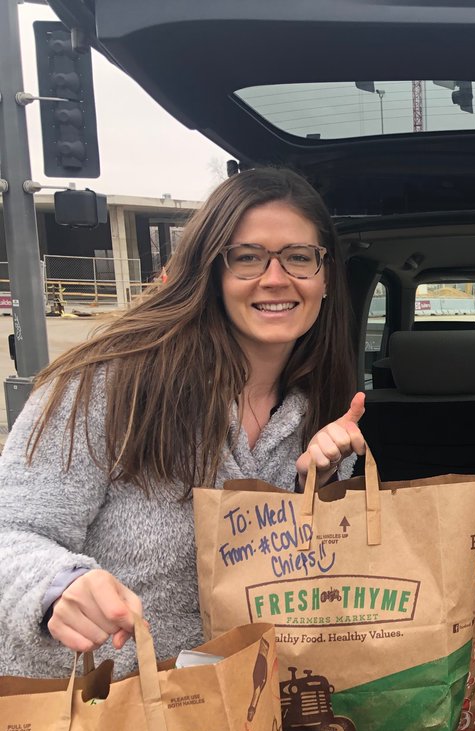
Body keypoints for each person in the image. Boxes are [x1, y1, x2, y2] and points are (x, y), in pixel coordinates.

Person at [0, 168, 367, 678]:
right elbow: (11, 530)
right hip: (92, 725)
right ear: (212, 271)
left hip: (234, 716)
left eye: (299, 257)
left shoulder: (323, 407)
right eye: (248, 257)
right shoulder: (109, 385)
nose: (276, 278)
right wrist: (57, 584)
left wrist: (315, 486)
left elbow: (293, 588)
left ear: (325, 277)